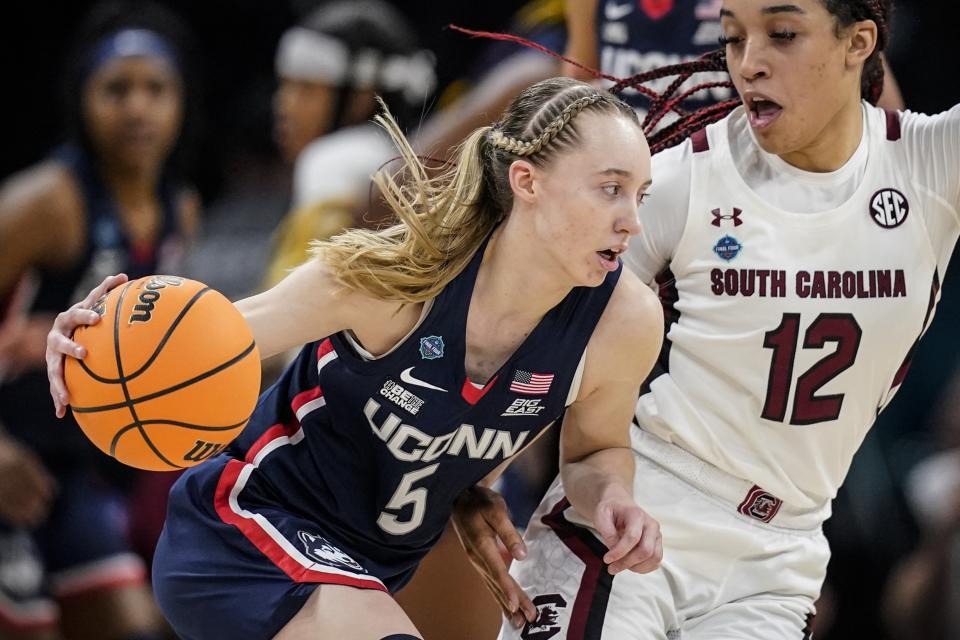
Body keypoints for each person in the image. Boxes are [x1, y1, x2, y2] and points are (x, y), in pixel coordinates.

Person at [46, 77, 667, 639]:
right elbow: (201, 341)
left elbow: (594, 451)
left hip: (371, 567)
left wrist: (613, 499)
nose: (632, 222)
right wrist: (85, 343)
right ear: (527, 182)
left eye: (641, 195)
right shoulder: (395, 281)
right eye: (611, 190)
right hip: (247, 530)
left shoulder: (625, 322)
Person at [446, 1, 959, 639]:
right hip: (640, 511)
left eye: (782, 35)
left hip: (782, 556)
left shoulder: (931, 165)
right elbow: (539, 310)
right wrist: (471, 474)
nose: (749, 64)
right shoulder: (683, 174)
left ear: (858, 43)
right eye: (734, 39)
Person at [0, 2, 199, 638]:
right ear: (82, 98)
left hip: (62, 467)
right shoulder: (47, 202)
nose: (138, 107)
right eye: (116, 89)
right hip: (6, 448)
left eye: (156, 89)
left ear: (180, 101)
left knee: (134, 625)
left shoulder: (180, 211)